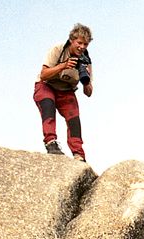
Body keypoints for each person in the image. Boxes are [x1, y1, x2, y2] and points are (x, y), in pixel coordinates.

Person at [34, 23, 93, 160]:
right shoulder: (58, 49)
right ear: (72, 40)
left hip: (66, 90)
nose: (82, 47)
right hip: (46, 85)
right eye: (79, 42)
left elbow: (89, 93)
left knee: (74, 119)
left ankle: (78, 154)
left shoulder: (86, 61)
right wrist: (63, 66)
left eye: (85, 44)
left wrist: (87, 81)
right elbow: (43, 74)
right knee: (48, 105)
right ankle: (51, 142)